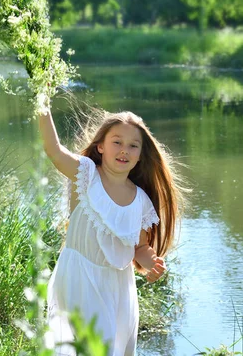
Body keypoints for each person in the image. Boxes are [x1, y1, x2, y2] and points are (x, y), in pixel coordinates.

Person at [38, 105, 184, 356]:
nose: (124, 150)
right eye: (117, 142)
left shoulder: (140, 201)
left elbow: (139, 247)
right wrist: (42, 102)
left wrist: (152, 263)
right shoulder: (85, 174)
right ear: (101, 147)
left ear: (140, 155)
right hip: (78, 277)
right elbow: (54, 151)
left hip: (117, 287)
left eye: (133, 146)